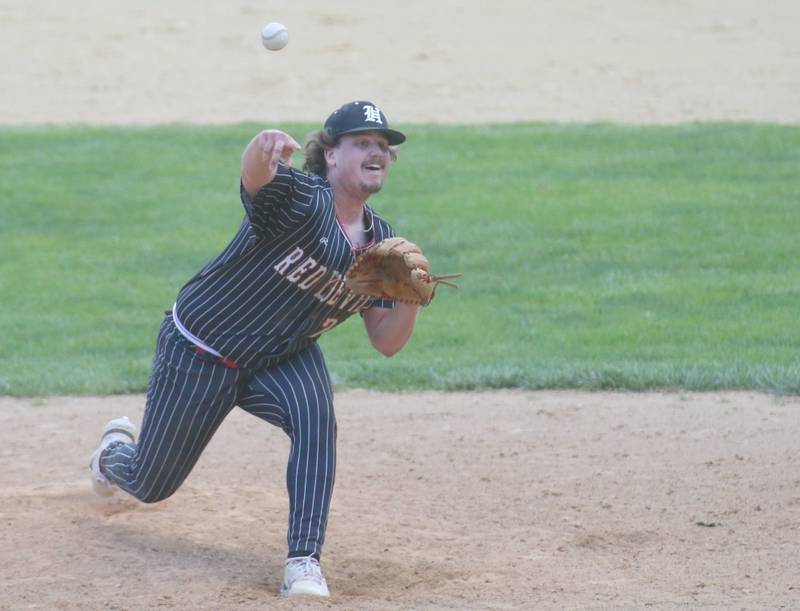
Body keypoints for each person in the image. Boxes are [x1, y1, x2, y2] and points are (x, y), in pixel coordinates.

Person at [89, 101, 420, 597]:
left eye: (383, 147)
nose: (378, 153)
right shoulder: (301, 200)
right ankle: (113, 452)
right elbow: (255, 179)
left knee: (316, 422)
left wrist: (411, 300)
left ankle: (303, 561)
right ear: (330, 155)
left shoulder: (383, 244)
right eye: (363, 143)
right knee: (151, 484)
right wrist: (260, 146)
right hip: (201, 349)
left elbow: (385, 341)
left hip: (281, 356)